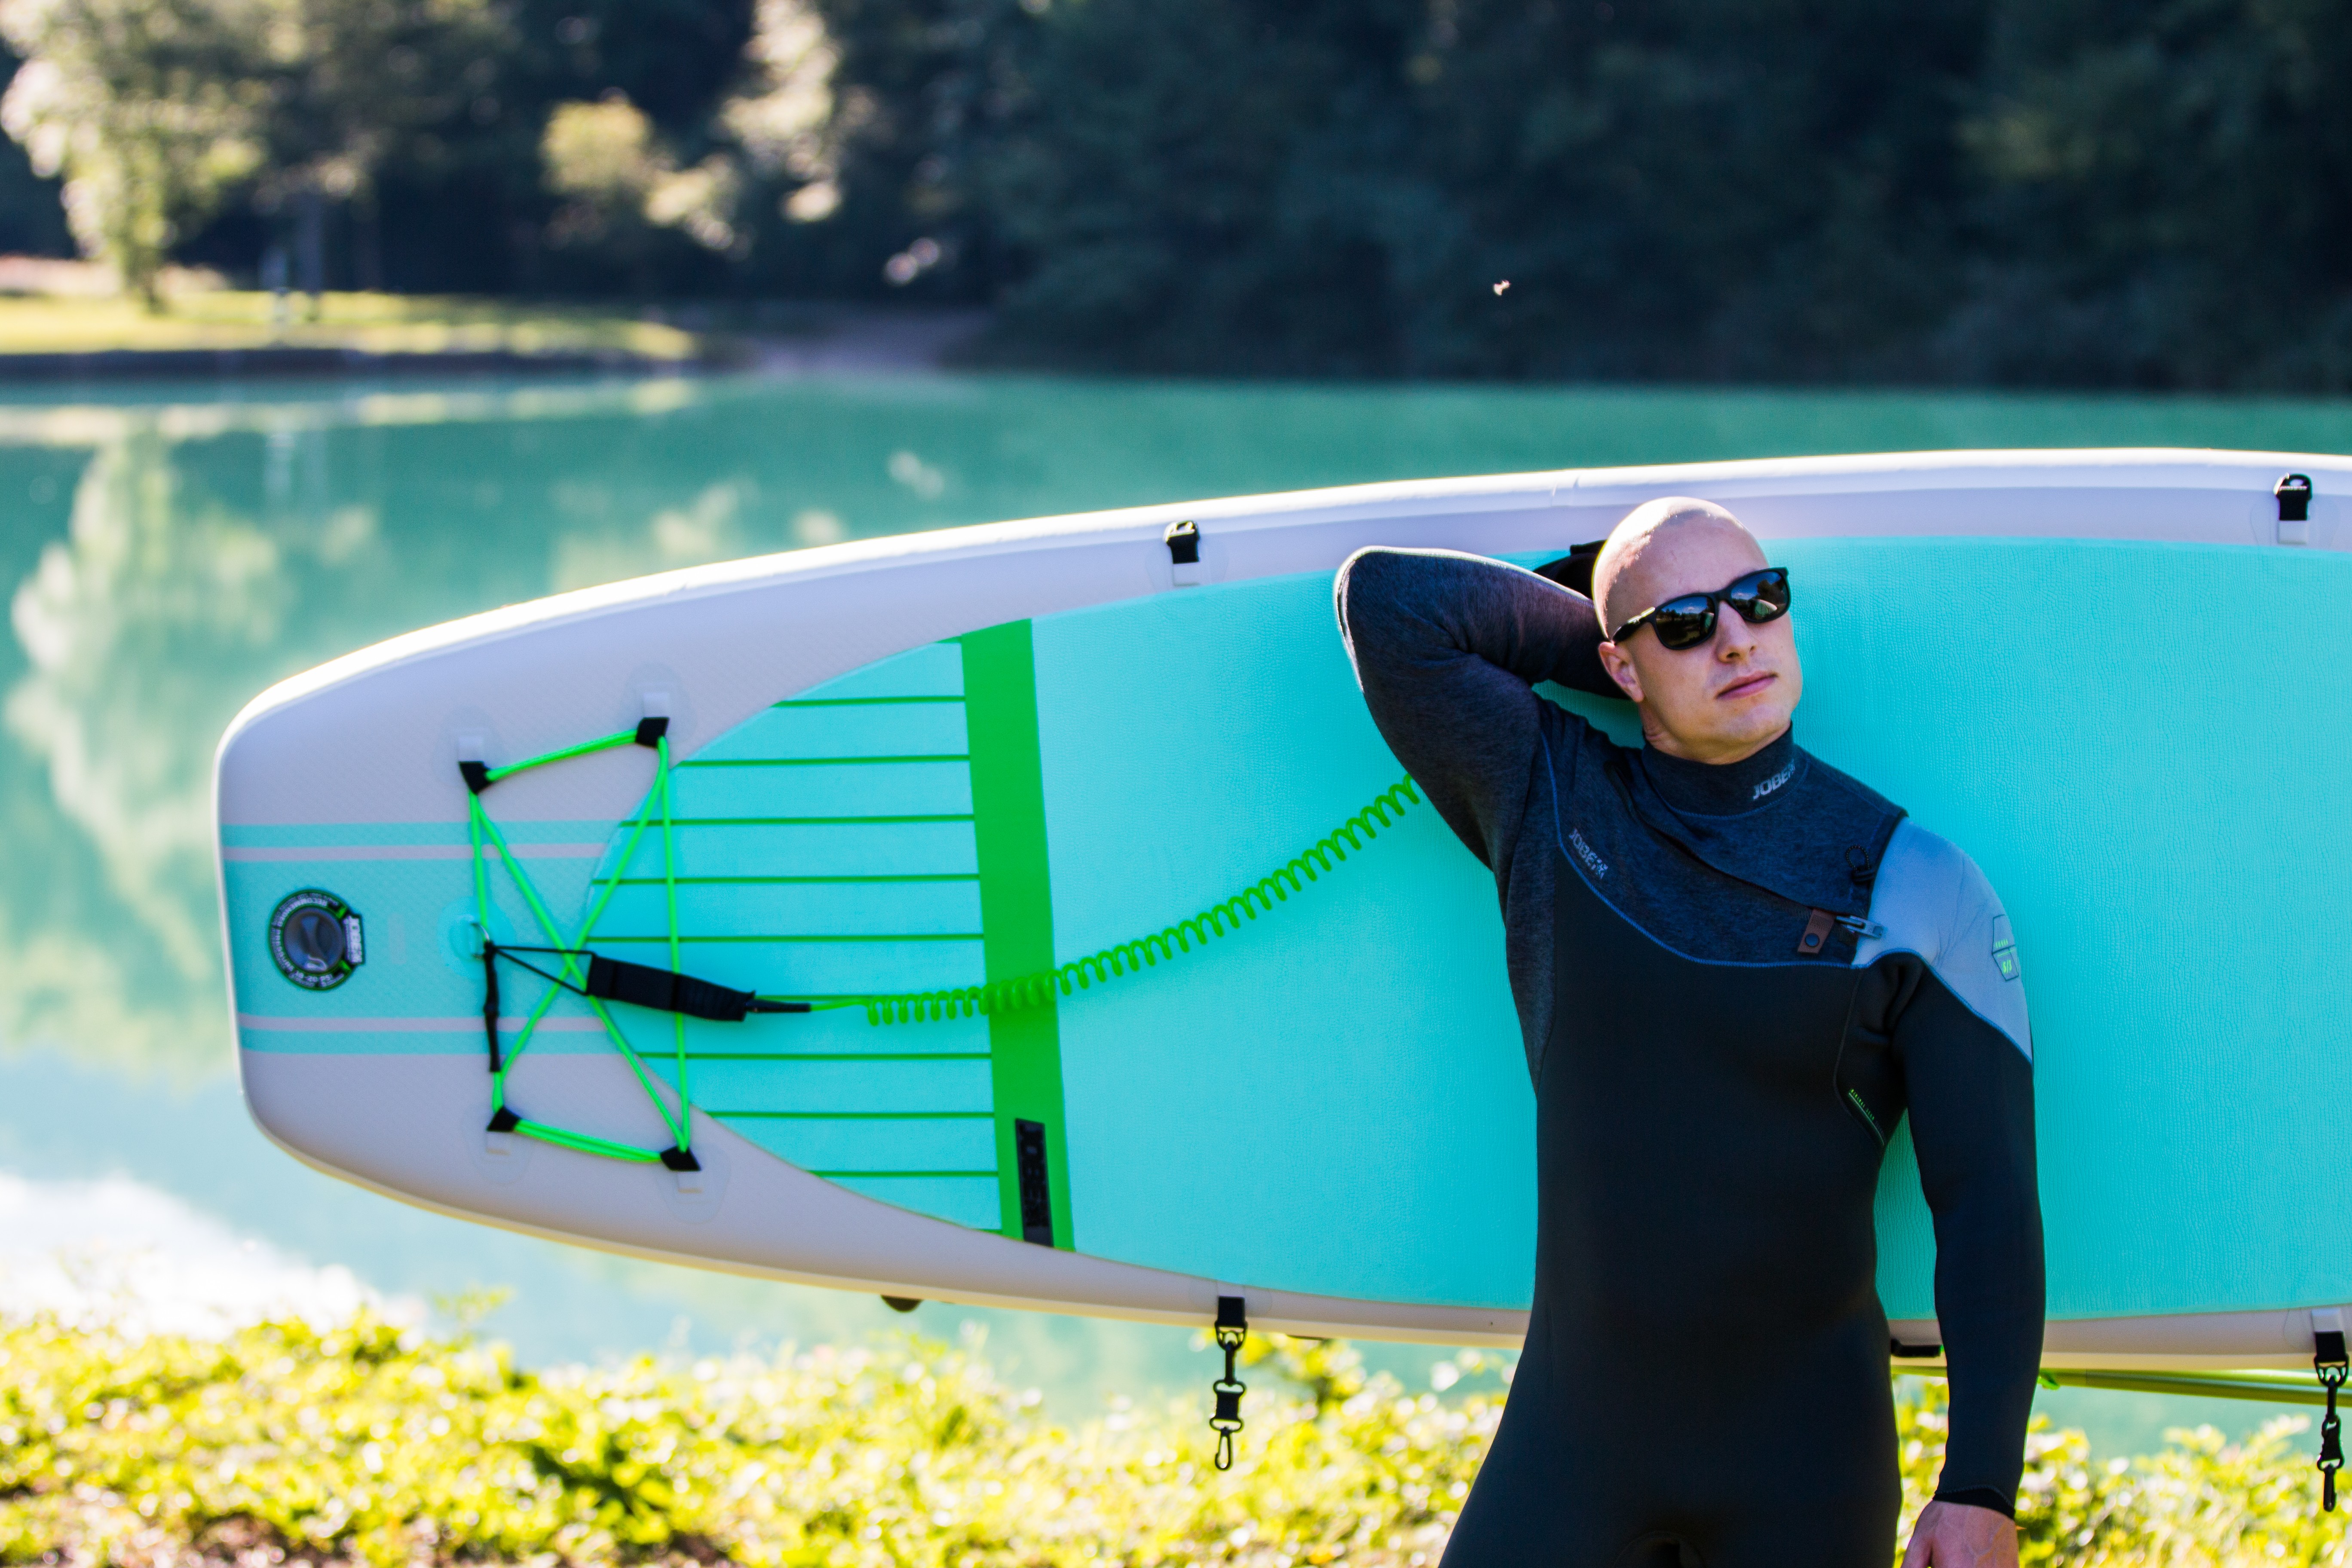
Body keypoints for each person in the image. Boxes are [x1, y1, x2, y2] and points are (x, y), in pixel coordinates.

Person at [1332, 498, 2043, 1568]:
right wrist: (1624, 633)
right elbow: (1389, 602)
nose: (1737, 640)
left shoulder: (1920, 885)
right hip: (1572, 1453)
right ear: (1619, 667)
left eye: (1761, 601)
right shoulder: (1556, 803)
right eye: (1688, 624)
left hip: (1808, 1472)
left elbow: (1986, 1203)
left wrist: (1981, 1486)